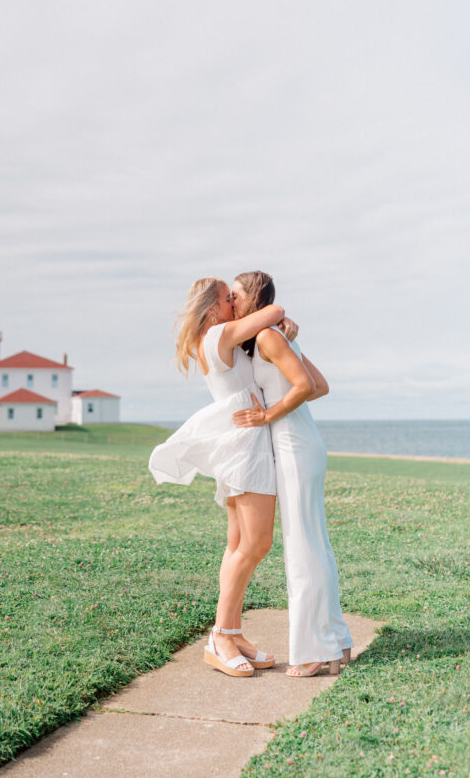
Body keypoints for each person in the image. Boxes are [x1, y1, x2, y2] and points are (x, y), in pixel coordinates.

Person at [149, 277, 297, 677]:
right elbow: (276, 310)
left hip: (240, 444)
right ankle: (220, 636)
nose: (233, 302)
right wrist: (281, 320)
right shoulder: (218, 333)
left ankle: (230, 633)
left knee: (237, 546)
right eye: (227, 298)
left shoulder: (216, 337)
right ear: (213, 308)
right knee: (256, 544)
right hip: (245, 447)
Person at [231, 270, 353, 677]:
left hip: (294, 447)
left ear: (253, 297)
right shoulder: (273, 335)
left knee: (302, 546)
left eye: (234, 295)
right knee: (313, 542)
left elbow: (306, 385)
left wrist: (268, 415)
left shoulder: (268, 336)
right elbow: (318, 385)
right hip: (301, 441)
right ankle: (336, 643)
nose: (231, 303)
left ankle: (314, 653)